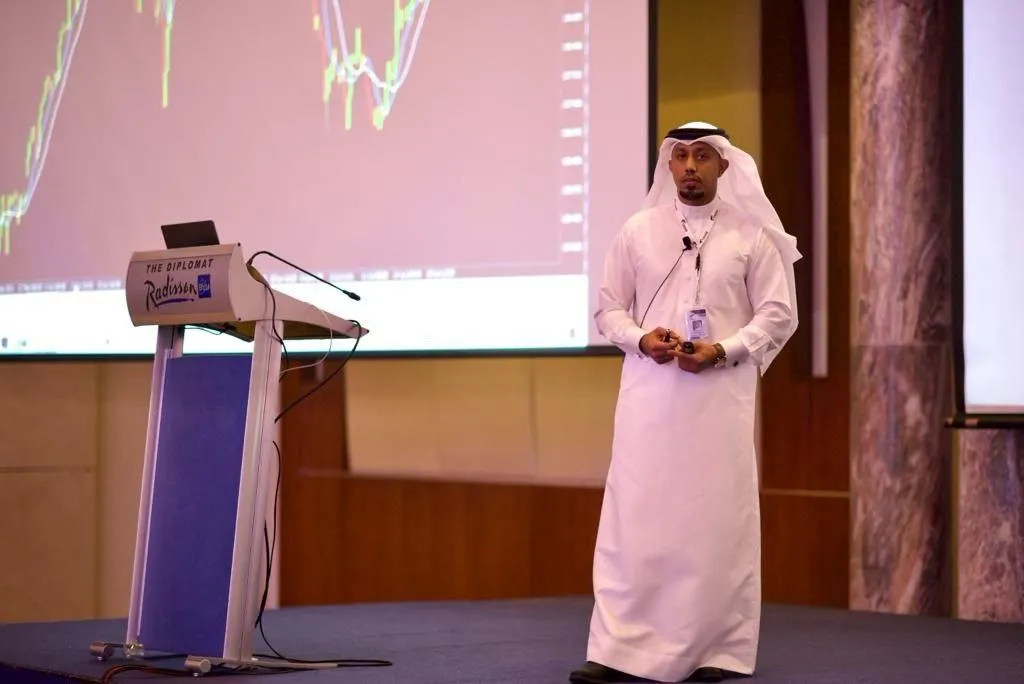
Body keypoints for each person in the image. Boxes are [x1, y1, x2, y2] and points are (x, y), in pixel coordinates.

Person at [569, 122, 801, 684]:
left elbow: (778, 315)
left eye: (702, 156)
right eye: (680, 157)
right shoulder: (638, 231)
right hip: (650, 402)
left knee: (714, 524)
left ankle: (714, 651)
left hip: (719, 403)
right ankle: (617, 650)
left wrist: (722, 349)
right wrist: (641, 338)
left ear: (724, 165)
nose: (690, 167)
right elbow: (607, 309)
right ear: (667, 167)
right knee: (636, 521)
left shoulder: (752, 236)